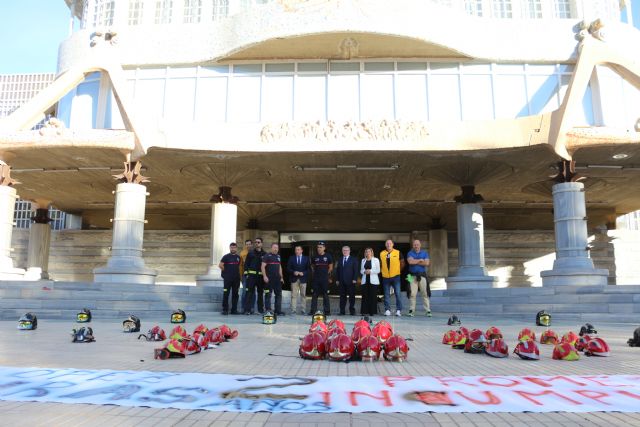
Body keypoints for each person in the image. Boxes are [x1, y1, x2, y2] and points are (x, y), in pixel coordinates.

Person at [406, 239, 432, 317]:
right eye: (415, 244)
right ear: (413, 245)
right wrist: (420, 260)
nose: (416, 246)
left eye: (417, 244)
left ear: (420, 245)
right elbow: (410, 262)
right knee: (412, 294)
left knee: (425, 293)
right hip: (411, 276)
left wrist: (415, 261)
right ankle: (411, 311)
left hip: (422, 275)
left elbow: (427, 263)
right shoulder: (410, 253)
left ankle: (428, 311)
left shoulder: (424, 253)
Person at [380, 239, 405, 316]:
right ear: (385, 245)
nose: (388, 244)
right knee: (386, 294)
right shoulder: (382, 253)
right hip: (385, 277)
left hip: (396, 276)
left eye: (390, 243)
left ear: (393, 244)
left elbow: (402, 263)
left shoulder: (398, 252)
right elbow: (380, 264)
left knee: (397, 293)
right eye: (387, 243)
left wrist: (398, 271)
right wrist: (382, 271)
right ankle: (387, 310)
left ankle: (398, 310)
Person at [310, 241, 333, 315]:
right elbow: (312, 267)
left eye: (321, 247)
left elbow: (331, 267)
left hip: (324, 279)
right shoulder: (314, 257)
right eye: (318, 247)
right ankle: (313, 311)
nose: (319, 249)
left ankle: (327, 311)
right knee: (314, 295)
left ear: (324, 248)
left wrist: (327, 275)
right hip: (316, 279)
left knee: (325, 295)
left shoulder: (328, 256)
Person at [335, 245, 359, 315]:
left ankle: (352, 311)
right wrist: (337, 279)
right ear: (342, 251)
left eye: (346, 250)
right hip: (341, 281)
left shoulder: (354, 259)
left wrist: (355, 279)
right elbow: (337, 270)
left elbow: (356, 270)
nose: (345, 251)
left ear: (349, 251)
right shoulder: (339, 259)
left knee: (352, 297)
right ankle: (342, 311)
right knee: (342, 297)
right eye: (344, 250)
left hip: (351, 281)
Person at [243, 237, 265, 314]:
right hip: (251, 277)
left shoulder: (264, 254)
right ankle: (247, 310)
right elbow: (246, 264)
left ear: (261, 243)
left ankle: (260, 310)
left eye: (258, 242)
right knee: (249, 293)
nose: (257, 243)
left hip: (260, 277)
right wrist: (246, 274)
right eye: (255, 242)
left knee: (260, 293)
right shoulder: (251, 253)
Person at [262, 243, 285, 315]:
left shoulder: (278, 256)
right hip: (269, 279)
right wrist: (264, 276)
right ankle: (268, 310)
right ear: (271, 248)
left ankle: (278, 310)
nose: (276, 249)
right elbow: (262, 266)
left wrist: (281, 277)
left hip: (277, 279)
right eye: (274, 247)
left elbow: (280, 267)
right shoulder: (267, 256)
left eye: (277, 248)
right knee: (268, 294)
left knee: (278, 295)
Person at [219, 242, 241, 315]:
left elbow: (240, 267)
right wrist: (226, 272)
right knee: (226, 294)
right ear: (230, 248)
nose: (233, 249)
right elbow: (220, 265)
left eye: (234, 247)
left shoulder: (238, 257)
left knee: (235, 294)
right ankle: (225, 310)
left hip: (236, 279)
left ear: (236, 248)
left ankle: (234, 310)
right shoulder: (226, 256)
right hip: (228, 279)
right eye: (231, 247)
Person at [287, 245, 310, 315]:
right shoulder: (291, 258)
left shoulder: (306, 258)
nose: (297, 251)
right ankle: (293, 310)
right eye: (296, 250)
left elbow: (309, 269)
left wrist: (304, 273)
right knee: (294, 295)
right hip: (294, 279)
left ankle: (303, 310)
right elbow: (288, 268)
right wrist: (293, 272)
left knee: (303, 295)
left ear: (301, 250)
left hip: (303, 279)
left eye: (298, 249)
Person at [360, 247, 380, 317]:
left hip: (373, 281)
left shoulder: (376, 260)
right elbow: (361, 270)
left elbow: (378, 270)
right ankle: (364, 311)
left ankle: (372, 311)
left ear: (372, 252)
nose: (368, 253)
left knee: (372, 296)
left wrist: (370, 271)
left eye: (369, 251)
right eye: (366, 252)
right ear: (365, 253)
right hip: (365, 280)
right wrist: (364, 271)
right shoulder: (363, 260)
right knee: (365, 296)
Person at [238, 239, 253, 311]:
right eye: (247, 244)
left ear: (251, 245)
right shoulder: (242, 253)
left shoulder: (254, 252)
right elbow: (240, 266)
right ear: (245, 245)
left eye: (249, 244)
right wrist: (241, 276)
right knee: (244, 291)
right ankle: (243, 308)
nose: (248, 245)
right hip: (245, 275)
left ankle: (252, 308)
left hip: (253, 276)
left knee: (253, 292)